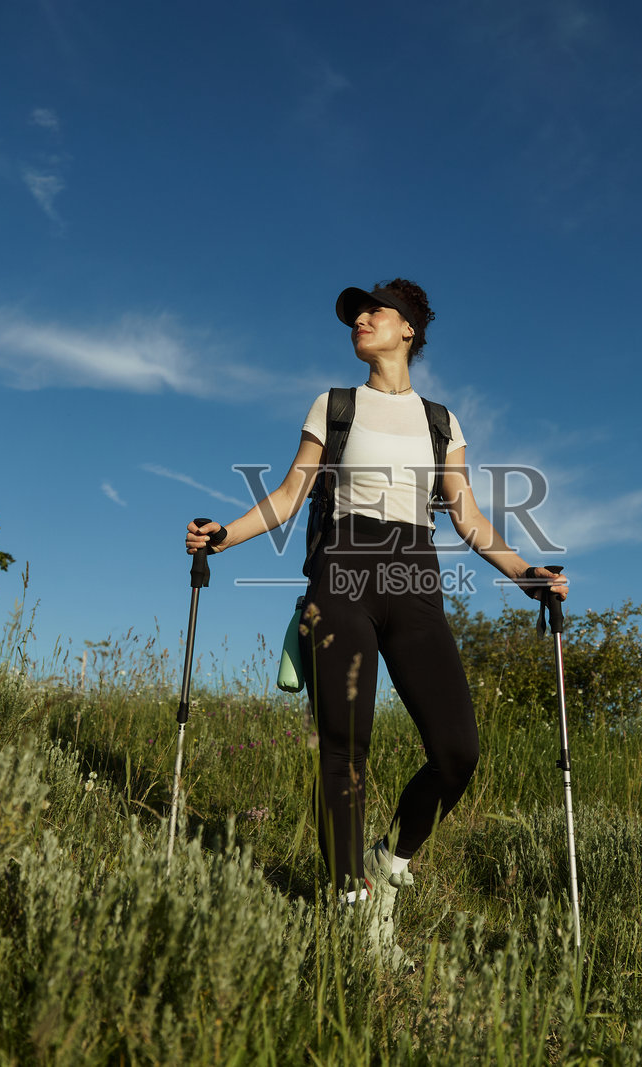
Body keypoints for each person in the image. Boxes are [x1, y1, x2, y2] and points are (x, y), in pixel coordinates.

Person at [184, 278, 566, 962]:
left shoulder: (441, 421)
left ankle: (388, 860)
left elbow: (469, 517)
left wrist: (527, 575)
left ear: (409, 329)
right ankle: (354, 913)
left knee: (458, 751)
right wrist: (225, 535)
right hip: (342, 574)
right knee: (345, 747)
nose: (360, 319)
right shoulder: (334, 406)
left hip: (414, 579)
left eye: (374, 311)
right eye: (355, 314)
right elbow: (291, 492)